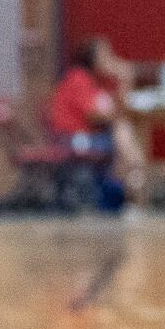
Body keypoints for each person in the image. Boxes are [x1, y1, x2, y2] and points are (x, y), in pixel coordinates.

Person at [45, 36, 145, 206]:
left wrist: (125, 80)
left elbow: (115, 111)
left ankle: (130, 184)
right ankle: (131, 186)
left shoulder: (96, 82)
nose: (110, 59)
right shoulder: (78, 78)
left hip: (88, 137)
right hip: (71, 139)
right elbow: (96, 116)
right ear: (92, 58)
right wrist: (123, 81)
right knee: (120, 135)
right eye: (105, 55)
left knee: (122, 131)